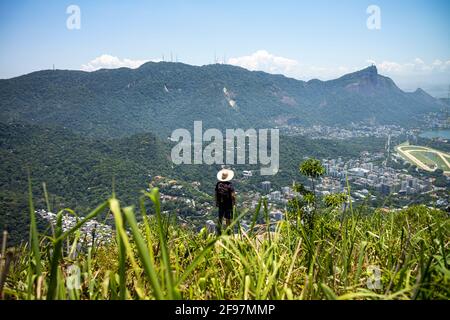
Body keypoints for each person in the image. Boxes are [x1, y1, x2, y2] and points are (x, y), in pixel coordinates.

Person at [215, 168, 236, 235]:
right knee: (228, 219)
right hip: (228, 204)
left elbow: (216, 194)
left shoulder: (218, 184)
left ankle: (219, 231)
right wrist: (234, 203)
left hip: (221, 203)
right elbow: (233, 195)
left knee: (220, 218)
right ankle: (228, 232)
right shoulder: (230, 185)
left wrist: (217, 202)